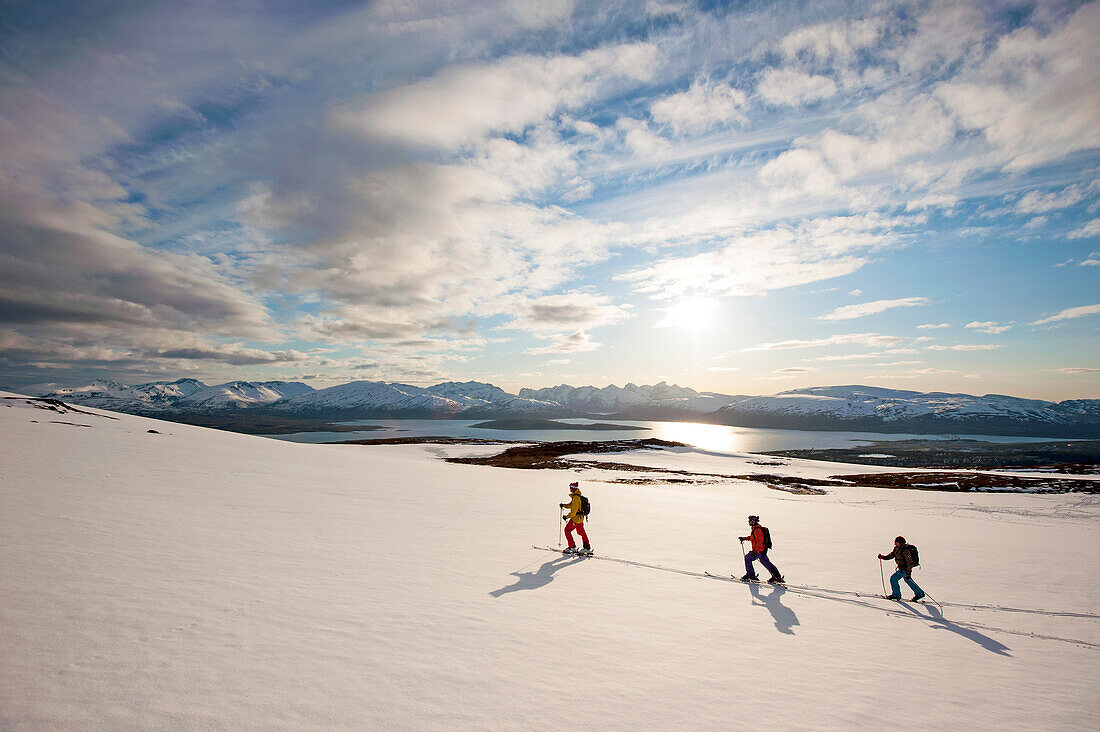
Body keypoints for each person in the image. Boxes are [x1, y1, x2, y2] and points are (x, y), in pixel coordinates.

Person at [739, 515, 783, 583]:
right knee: (766, 563)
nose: (749, 522)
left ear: (753, 522)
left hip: (759, 550)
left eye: (750, 521)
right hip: (762, 551)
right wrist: (744, 538)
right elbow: (752, 538)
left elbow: (760, 542)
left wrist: (756, 551)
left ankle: (751, 575)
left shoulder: (757, 530)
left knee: (748, 558)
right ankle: (776, 576)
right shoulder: (755, 529)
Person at [879, 536, 925, 601]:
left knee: (893, 579)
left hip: (905, 569)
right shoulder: (897, 548)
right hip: (902, 569)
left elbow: (910, 563)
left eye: (896, 542)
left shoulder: (905, 550)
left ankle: (896, 595)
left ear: (900, 542)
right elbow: (891, 556)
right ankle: (919, 593)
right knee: (908, 580)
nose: (895, 543)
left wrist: (908, 573)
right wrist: (882, 557)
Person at [559, 482, 591, 556]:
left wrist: (566, 517)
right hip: (579, 519)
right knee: (581, 533)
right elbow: (571, 505)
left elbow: (573, 512)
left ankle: (572, 547)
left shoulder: (576, 498)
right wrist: (564, 505)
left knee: (567, 530)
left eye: (570, 487)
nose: (569, 488)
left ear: (573, 488)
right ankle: (587, 548)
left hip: (575, 519)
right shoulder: (576, 496)